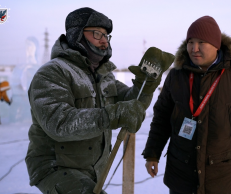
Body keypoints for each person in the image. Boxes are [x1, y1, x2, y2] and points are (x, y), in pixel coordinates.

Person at [25, 7, 174, 194]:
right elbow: (59, 122)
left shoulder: (104, 75)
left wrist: (147, 84)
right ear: (76, 35)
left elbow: (131, 104)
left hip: (95, 169)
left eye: (106, 35)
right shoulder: (52, 73)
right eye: (97, 34)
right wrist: (113, 115)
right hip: (58, 168)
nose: (104, 41)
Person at [143, 16, 231, 194]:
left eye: (201, 42)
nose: (194, 49)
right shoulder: (176, 76)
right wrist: (152, 154)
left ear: (216, 45)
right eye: (190, 42)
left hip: (221, 175)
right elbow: (162, 117)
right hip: (181, 172)